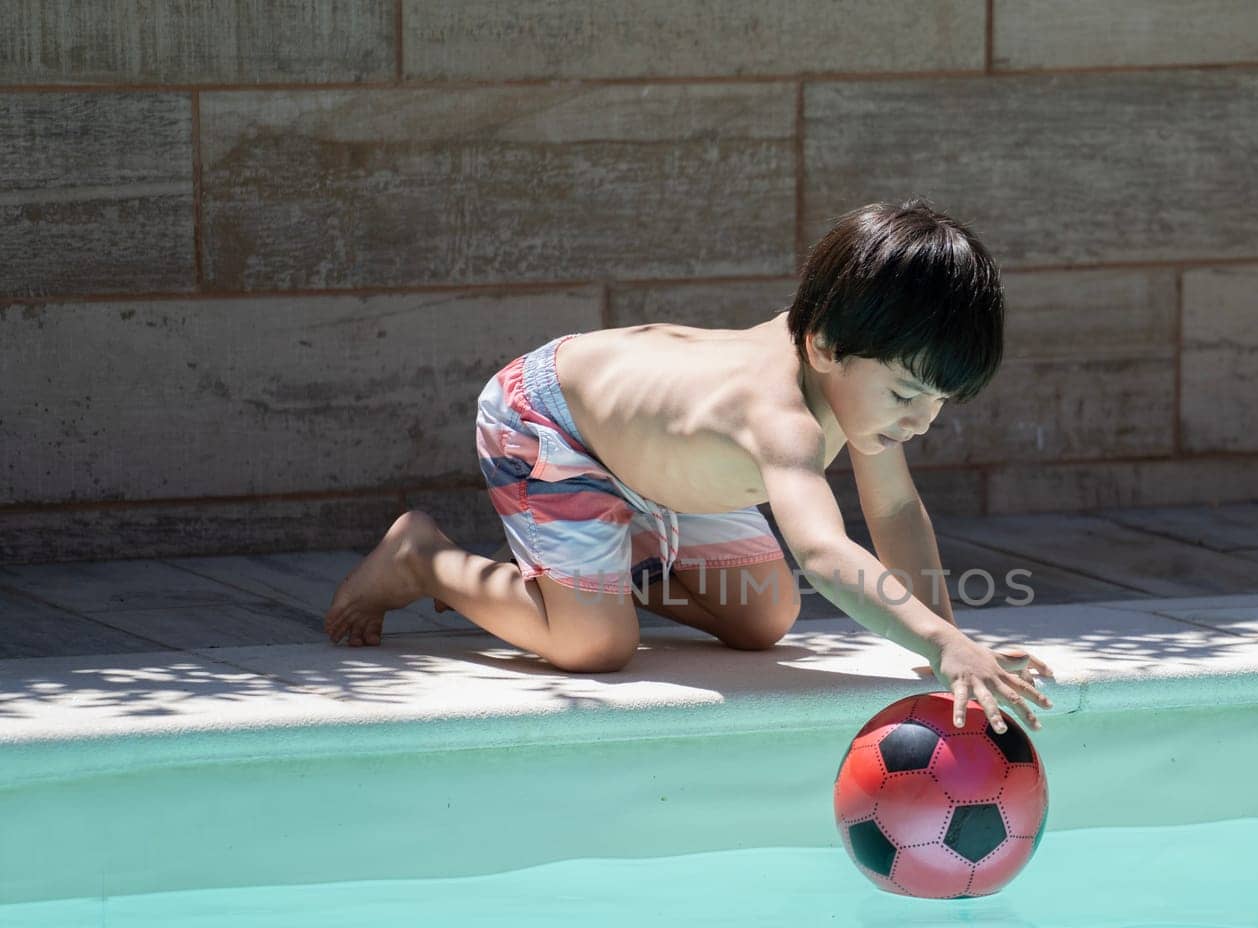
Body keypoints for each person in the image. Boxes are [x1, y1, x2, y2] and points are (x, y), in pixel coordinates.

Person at [325, 199, 1054, 732]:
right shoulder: (781, 420)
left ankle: (586, 574)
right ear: (828, 348)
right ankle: (423, 561)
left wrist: (944, 649)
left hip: (663, 469)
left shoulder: (853, 365)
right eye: (907, 393)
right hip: (557, 424)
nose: (919, 420)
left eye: (941, 402)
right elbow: (827, 552)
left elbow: (894, 513)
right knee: (595, 646)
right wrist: (944, 643)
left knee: (766, 617)